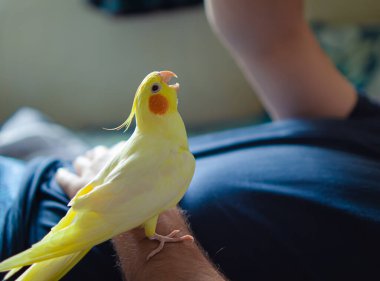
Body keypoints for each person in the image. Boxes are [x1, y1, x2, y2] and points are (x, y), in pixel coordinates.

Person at [1, 0, 380, 280]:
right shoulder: (370, 129)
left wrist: (145, 218)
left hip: (23, 224)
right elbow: (273, 37)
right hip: (38, 178)